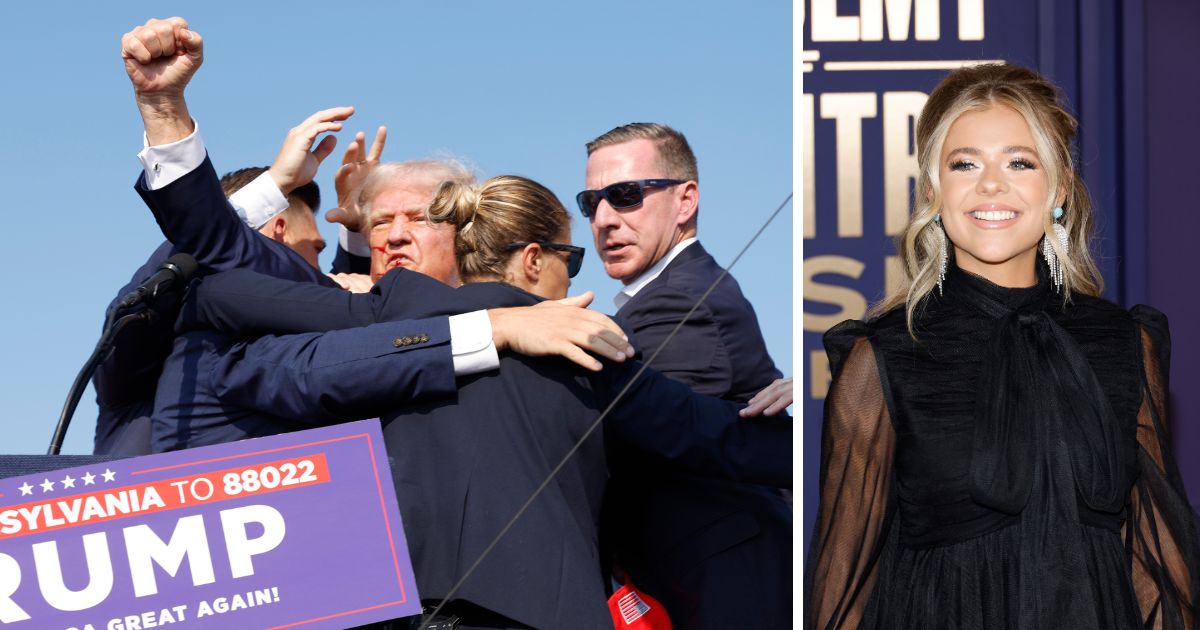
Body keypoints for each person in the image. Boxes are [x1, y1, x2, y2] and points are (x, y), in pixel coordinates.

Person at [180, 174, 793, 629]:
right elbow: (720, 438)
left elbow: (222, 313)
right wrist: (833, 412)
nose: (575, 280)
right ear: (532, 259)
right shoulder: (591, 343)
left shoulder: (386, 314)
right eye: (569, 258)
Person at [807, 63, 1200, 629]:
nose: (991, 184)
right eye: (965, 164)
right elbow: (844, 579)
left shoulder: (1123, 343)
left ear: (1060, 187)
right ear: (934, 192)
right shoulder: (885, 357)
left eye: (1020, 162)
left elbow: (1157, 557)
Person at [579, 122, 792, 627]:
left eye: (625, 196)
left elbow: (637, 431)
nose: (604, 219)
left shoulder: (682, 299)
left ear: (685, 200)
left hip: (716, 588)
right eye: (591, 202)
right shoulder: (663, 295)